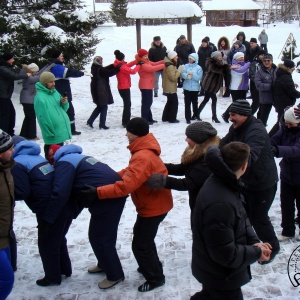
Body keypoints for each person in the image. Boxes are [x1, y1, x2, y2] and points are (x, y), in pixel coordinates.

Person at [81, 117, 173, 292]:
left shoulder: (142, 156)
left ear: (135, 134)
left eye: (128, 131)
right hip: (155, 204)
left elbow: (125, 187)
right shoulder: (143, 150)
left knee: (140, 244)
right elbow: (131, 173)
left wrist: (97, 192)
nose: (126, 134)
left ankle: (155, 278)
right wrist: (109, 177)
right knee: (144, 239)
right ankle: (150, 264)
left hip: (153, 207)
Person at [191, 142, 272, 300]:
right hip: (222, 276)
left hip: (215, 271)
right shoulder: (220, 202)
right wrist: (257, 252)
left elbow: (240, 215)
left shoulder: (224, 181)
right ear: (244, 166)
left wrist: (254, 241)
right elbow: (225, 254)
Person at [46, 144, 127, 289]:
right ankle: (104, 263)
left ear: (53, 159)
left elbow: (60, 191)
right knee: (104, 235)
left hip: (106, 197)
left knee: (99, 237)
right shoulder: (79, 157)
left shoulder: (64, 163)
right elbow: (79, 187)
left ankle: (115, 275)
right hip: (110, 192)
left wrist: (50, 216)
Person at [221, 100, 280, 264]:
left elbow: (249, 156)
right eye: (230, 114)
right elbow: (223, 144)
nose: (230, 118)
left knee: (259, 218)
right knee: (244, 215)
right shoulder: (237, 127)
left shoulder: (257, 131)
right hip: (247, 181)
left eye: (233, 115)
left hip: (262, 183)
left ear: (244, 115)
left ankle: (272, 249)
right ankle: (251, 244)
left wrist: (227, 164)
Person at [146, 121, 219, 227]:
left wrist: (162, 180)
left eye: (188, 137)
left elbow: (188, 183)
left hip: (207, 204)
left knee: (201, 232)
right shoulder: (199, 152)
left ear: (198, 139)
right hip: (198, 200)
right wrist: (159, 165)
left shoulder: (207, 160)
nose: (186, 140)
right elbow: (183, 168)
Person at [10, 140, 60, 286]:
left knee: (46, 242)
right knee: (57, 237)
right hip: (55, 200)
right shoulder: (37, 157)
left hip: (44, 204)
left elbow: (22, 191)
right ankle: (64, 269)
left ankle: (52, 277)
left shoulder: (17, 163)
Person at [270, 106, 300, 241]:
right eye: (286, 123)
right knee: (286, 204)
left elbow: (296, 149)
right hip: (287, 174)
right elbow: (274, 139)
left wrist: (277, 151)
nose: (288, 126)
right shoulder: (285, 130)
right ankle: (287, 231)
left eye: (291, 124)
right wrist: (267, 145)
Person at [34, 72, 71, 161]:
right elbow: (42, 118)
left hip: (60, 132)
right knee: (53, 161)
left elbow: (63, 110)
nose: (53, 84)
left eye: (54, 81)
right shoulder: (40, 98)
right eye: (50, 82)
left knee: (61, 159)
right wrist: (50, 133)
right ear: (44, 83)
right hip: (53, 135)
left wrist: (64, 102)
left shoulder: (54, 92)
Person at [50, 50, 84, 135]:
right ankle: (70, 130)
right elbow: (69, 72)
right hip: (62, 93)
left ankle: (69, 129)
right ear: (57, 57)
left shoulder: (55, 65)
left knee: (68, 112)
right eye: (61, 56)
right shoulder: (56, 67)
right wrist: (81, 73)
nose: (62, 57)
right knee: (69, 111)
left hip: (62, 92)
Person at [19, 63, 53, 140]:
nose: (36, 73)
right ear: (32, 71)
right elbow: (39, 77)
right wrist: (47, 69)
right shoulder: (29, 77)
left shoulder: (28, 74)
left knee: (28, 117)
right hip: (28, 99)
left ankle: (24, 133)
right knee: (31, 117)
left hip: (26, 99)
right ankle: (31, 135)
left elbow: (39, 73)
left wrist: (48, 65)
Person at [0, 52, 31, 136]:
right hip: (3, 96)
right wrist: (26, 75)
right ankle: (4, 134)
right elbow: (13, 75)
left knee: (11, 114)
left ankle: (9, 132)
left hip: (6, 96)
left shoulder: (6, 67)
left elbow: (15, 73)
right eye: (12, 58)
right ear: (8, 59)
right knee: (5, 116)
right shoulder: (2, 68)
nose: (13, 60)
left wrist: (24, 69)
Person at [0, 130, 15, 300]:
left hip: (5, 233)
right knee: (6, 280)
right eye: (9, 149)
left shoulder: (7, 167)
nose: (13, 151)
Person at [87, 56, 120, 130]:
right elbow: (109, 73)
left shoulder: (95, 67)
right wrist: (117, 68)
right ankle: (102, 124)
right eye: (100, 60)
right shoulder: (99, 69)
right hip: (100, 90)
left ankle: (90, 121)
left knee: (99, 106)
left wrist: (112, 65)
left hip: (96, 89)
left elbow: (105, 69)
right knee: (104, 106)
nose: (101, 61)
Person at [197, 51, 230, 123]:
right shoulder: (212, 63)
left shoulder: (219, 63)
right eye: (219, 56)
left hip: (213, 85)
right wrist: (229, 67)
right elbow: (218, 69)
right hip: (210, 84)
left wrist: (227, 67)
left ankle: (197, 114)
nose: (220, 57)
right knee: (213, 99)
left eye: (221, 56)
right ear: (215, 57)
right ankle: (214, 117)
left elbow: (223, 70)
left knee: (206, 99)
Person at [270, 59, 300, 136]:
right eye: (293, 67)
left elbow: (285, 87)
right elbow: (292, 92)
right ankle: (269, 138)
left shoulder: (281, 74)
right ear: (289, 68)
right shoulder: (286, 77)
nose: (294, 68)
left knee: (281, 120)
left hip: (279, 102)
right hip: (284, 103)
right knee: (281, 121)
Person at [135, 49, 165, 124]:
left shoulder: (146, 61)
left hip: (148, 85)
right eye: (145, 56)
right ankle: (145, 119)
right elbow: (152, 69)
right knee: (146, 103)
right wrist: (164, 65)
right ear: (141, 57)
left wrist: (163, 61)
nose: (146, 57)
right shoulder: (142, 64)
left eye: (146, 55)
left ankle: (149, 118)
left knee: (148, 102)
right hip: (145, 85)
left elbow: (154, 64)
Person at [222, 52, 250, 123]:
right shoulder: (234, 66)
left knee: (242, 103)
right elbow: (241, 71)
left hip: (243, 87)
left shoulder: (244, 65)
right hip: (236, 88)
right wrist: (249, 63)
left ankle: (240, 116)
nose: (241, 59)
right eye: (240, 57)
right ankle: (226, 115)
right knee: (235, 103)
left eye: (242, 57)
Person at [113, 50, 140, 128]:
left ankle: (125, 120)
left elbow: (128, 65)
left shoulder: (119, 64)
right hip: (124, 87)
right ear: (122, 59)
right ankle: (126, 122)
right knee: (127, 104)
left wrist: (136, 61)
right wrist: (138, 65)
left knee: (127, 104)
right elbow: (133, 71)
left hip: (123, 87)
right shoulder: (121, 66)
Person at [255, 53, 277, 126]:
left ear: (272, 61)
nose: (267, 62)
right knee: (263, 119)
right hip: (265, 99)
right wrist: (270, 86)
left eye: (268, 60)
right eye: (265, 61)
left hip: (276, 97)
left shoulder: (276, 70)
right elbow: (258, 85)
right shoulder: (259, 72)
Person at [161, 50, 183, 123]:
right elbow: (173, 78)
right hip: (170, 87)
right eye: (176, 56)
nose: (177, 57)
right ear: (172, 57)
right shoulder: (170, 66)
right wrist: (179, 71)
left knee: (170, 102)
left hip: (169, 87)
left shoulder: (169, 64)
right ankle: (172, 118)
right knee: (174, 102)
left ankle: (165, 117)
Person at [181, 53, 203, 123]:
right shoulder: (186, 66)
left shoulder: (199, 68)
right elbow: (183, 73)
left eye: (191, 59)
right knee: (187, 103)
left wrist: (193, 74)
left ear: (194, 59)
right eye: (189, 58)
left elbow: (199, 78)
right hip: (187, 88)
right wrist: (187, 76)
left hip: (195, 88)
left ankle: (196, 115)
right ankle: (187, 117)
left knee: (195, 103)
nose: (189, 60)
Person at [249, 49, 266, 116]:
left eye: (264, 55)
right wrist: (258, 81)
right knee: (256, 103)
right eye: (261, 55)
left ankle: (260, 118)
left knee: (262, 104)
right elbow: (251, 75)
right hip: (255, 86)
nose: (262, 56)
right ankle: (248, 116)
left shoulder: (267, 64)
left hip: (264, 87)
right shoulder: (254, 63)